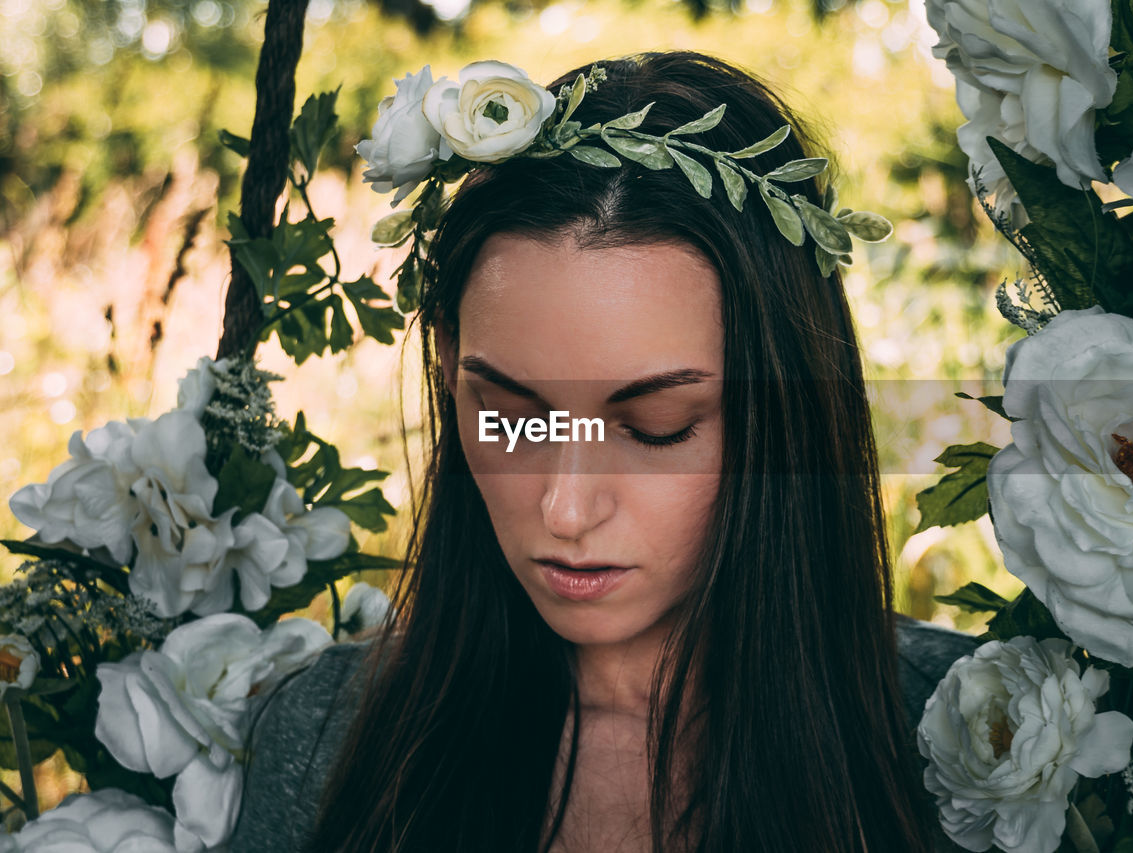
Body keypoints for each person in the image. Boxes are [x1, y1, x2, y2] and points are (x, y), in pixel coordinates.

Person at [227, 50, 977, 853]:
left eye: (656, 426)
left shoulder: (983, 749)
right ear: (449, 370)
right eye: (513, 415)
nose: (567, 508)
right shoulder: (324, 739)